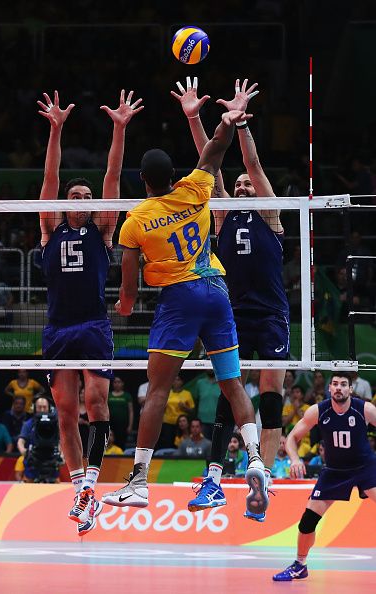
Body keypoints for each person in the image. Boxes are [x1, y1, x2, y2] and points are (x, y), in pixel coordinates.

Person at [102, 101, 266, 518]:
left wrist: (122, 307)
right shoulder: (196, 188)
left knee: (157, 390)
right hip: (217, 289)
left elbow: (128, 290)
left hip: (179, 298)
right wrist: (228, 120)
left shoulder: (136, 220)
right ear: (174, 176)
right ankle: (255, 459)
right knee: (233, 385)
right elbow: (215, 148)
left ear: (142, 180)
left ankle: (139, 481)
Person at [171, 76, 288, 521]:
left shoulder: (271, 214)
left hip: (272, 313)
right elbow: (211, 164)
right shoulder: (220, 216)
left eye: (246, 185)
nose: (241, 187)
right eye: (236, 186)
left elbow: (252, 165)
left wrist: (241, 126)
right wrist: (196, 118)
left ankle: (266, 474)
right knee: (228, 388)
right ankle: (215, 477)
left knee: (272, 389)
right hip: (233, 312)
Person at [38, 88, 143, 535]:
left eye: (86, 194)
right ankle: (80, 488)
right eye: (74, 195)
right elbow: (49, 175)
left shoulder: (102, 231)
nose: (81, 198)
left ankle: (93, 485)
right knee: (65, 410)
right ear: (65, 203)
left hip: (94, 325)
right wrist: (56, 129)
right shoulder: (49, 228)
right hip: (58, 328)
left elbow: (113, 176)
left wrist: (119, 129)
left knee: (96, 403)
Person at [272, 372, 376, 581]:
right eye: (335, 384)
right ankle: (300, 565)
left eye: (343, 384)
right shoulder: (318, 411)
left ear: (350, 389)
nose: (339, 388)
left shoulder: (364, 409)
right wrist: (294, 459)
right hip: (334, 471)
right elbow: (292, 437)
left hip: (365, 468)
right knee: (307, 522)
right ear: (329, 389)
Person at [16, 396, 61, 482]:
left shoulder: (55, 424)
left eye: (44, 407)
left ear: (49, 408)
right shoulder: (28, 424)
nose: (42, 409)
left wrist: (61, 454)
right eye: (39, 407)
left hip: (51, 459)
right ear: (34, 408)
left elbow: (61, 442)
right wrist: (24, 451)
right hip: (34, 460)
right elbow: (20, 441)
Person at [158, 375, 195, 449]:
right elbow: (160, 408)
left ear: (181, 382)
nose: (175, 382)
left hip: (181, 424)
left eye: (177, 380)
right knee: (168, 443)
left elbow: (192, 410)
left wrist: (185, 408)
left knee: (180, 444)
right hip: (168, 423)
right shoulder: (167, 393)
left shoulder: (187, 394)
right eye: (173, 380)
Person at [108, 376, 134, 450]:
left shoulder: (127, 396)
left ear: (122, 384)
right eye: (115, 382)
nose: (117, 384)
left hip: (123, 425)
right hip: (111, 424)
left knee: (121, 442)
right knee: (110, 441)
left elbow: (131, 411)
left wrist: (130, 425)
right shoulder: (109, 395)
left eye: (119, 382)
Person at [193, 370, 220, 440]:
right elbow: (196, 400)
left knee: (216, 444)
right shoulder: (200, 383)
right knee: (203, 445)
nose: (210, 368)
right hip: (202, 421)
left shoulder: (221, 382)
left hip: (217, 420)